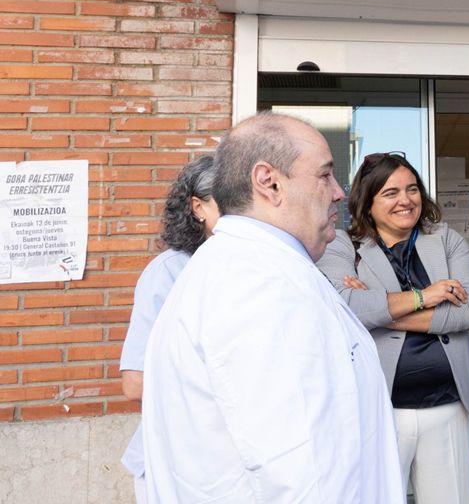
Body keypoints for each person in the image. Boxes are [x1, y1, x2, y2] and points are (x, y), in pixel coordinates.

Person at [140, 113, 405, 503]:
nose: (337, 192)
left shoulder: (253, 269)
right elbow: (302, 471)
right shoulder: (259, 284)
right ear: (270, 182)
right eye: (324, 175)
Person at [316, 151, 469, 504]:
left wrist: (377, 306)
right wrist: (426, 296)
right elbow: (341, 307)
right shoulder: (343, 245)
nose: (405, 200)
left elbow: (467, 314)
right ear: (368, 201)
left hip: (448, 406)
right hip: (379, 409)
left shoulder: (446, 240)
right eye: (391, 193)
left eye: (412, 189)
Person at [118, 155, 219, 504]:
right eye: (230, 204)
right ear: (198, 208)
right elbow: (136, 383)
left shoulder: (251, 271)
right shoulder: (170, 272)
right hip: (176, 467)